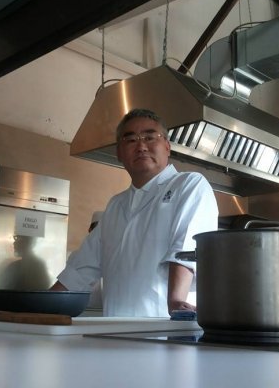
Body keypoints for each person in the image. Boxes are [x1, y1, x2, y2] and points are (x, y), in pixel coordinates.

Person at [51, 109, 219, 317]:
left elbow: (186, 248)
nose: (141, 146)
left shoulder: (189, 184)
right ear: (119, 153)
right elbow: (81, 269)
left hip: (167, 332)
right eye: (130, 140)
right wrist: (40, 308)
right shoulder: (116, 205)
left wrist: (176, 302)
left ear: (167, 146)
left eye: (150, 137)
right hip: (116, 335)